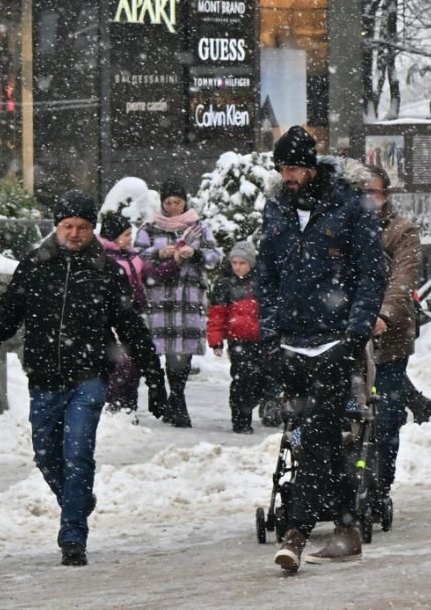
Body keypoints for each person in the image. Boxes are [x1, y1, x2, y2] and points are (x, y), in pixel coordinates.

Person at [0, 191, 168, 566]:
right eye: (68, 226)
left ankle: (73, 535)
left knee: (77, 455)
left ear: (93, 230)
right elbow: (8, 312)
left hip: (88, 378)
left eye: (83, 227)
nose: (75, 233)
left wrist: (155, 379)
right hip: (43, 378)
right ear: (57, 227)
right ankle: (78, 500)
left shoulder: (106, 272)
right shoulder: (36, 265)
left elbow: (131, 327)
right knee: (46, 456)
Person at [258, 125, 386, 574]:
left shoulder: (350, 209)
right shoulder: (276, 211)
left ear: (311, 167)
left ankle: (296, 531)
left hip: (333, 341)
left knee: (316, 433)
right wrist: (270, 332)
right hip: (291, 341)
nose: (287, 175)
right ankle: (347, 527)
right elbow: (266, 276)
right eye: (282, 168)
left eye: (293, 167)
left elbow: (372, 275)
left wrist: (354, 333)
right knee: (317, 438)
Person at [361, 165, 426, 527]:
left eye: (376, 192)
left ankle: (379, 486)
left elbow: (403, 279)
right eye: (363, 192)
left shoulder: (402, 231)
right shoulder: (345, 224)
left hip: (389, 340)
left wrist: (383, 313)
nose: (370, 199)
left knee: (384, 419)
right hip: (347, 340)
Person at [136, 178, 223, 428]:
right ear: (162, 203)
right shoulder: (150, 228)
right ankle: (173, 401)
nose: (174, 206)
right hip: (161, 299)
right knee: (164, 351)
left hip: (188, 299)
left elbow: (215, 257)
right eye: (169, 202)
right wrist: (159, 253)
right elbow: (138, 256)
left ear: (185, 202)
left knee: (182, 354)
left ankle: (177, 398)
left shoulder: (199, 227)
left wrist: (195, 255)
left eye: (178, 202)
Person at [207, 241, 264, 434]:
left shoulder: (261, 283)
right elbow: (217, 315)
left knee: (258, 378)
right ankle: (241, 419)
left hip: (260, 340)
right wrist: (216, 341)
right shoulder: (225, 285)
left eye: (242, 263)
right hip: (237, 340)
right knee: (241, 380)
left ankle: (251, 404)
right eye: (235, 263)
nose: (238, 267)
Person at [98, 210, 146, 415]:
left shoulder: (134, 258)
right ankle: (112, 406)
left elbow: (150, 275)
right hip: (113, 317)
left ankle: (129, 407)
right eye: (125, 234)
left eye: (130, 234)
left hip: (133, 315)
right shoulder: (104, 259)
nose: (130, 238)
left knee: (134, 364)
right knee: (119, 364)